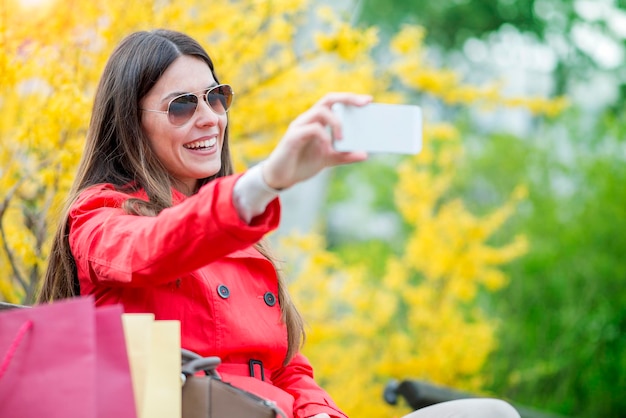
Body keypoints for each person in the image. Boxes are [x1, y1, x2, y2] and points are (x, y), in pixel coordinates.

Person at [37, 29, 520, 418]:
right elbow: (155, 245)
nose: (209, 119)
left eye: (215, 97)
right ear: (129, 122)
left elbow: (284, 365)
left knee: (490, 412)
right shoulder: (101, 216)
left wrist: (319, 413)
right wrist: (269, 178)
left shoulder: (238, 229)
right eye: (183, 105)